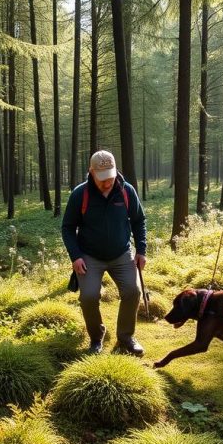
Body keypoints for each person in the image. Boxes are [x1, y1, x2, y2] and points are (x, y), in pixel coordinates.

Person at [61, 150, 147, 356]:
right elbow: (67, 227)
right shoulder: (80, 194)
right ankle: (96, 338)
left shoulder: (127, 191)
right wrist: (76, 256)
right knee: (89, 297)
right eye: (102, 179)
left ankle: (126, 337)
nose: (107, 183)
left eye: (110, 177)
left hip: (122, 254)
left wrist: (141, 250)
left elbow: (138, 221)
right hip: (90, 256)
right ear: (91, 172)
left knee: (133, 292)